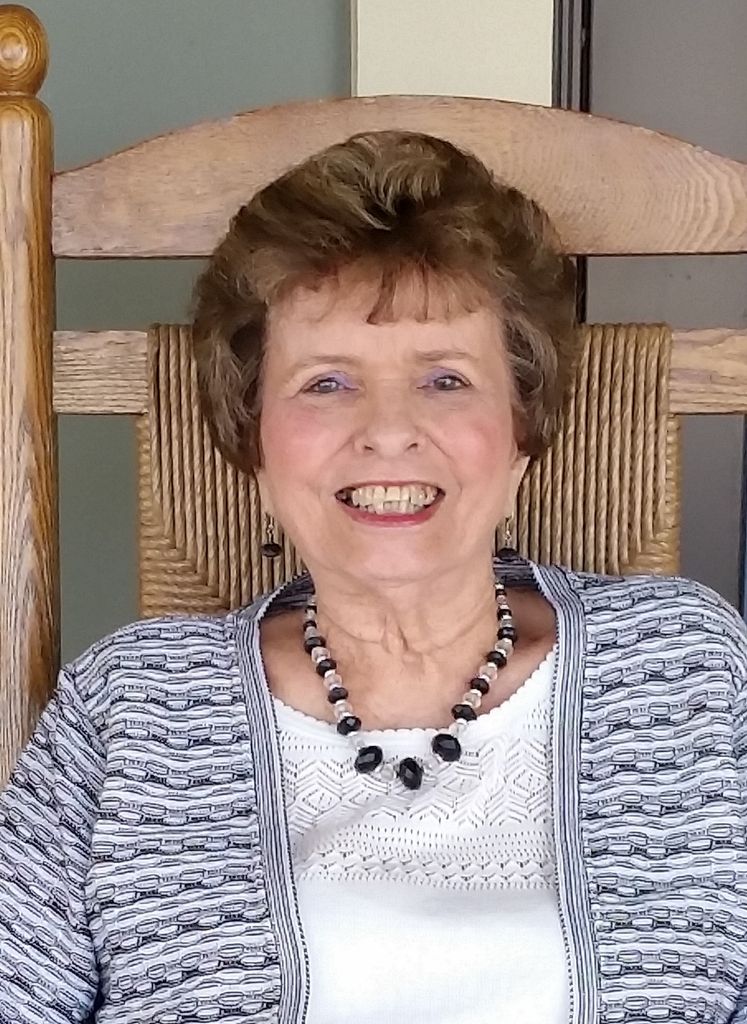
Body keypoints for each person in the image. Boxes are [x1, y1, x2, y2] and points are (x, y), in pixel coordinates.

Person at [1, 130, 746, 1024]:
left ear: (520, 433)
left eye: (443, 380)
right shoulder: (133, 703)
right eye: (326, 384)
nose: (388, 431)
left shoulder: (685, 664)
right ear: (252, 440)